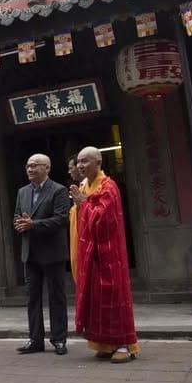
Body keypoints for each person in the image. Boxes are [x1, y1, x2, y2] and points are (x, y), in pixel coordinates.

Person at [69, 147, 138, 364]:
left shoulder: (108, 187)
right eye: (79, 162)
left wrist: (83, 204)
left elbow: (105, 222)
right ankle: (105, 344)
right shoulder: (84, 186)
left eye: (85, 161)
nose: (80, 166)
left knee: (113, 298)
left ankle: (123, 345)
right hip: (90, 252)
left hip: (109, 253)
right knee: (96, 300)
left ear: (98, 162)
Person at [13, 154, 70, 355]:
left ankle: (59, 339)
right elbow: (17, 216)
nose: (30, 169)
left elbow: (61, 219)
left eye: (35, 165)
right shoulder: (22, 192)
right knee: (32, 298)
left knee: (57, 297)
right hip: (30, 253)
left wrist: (33, 225)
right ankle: (35, 339)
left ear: (47, 168)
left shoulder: (59, 190)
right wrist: (19, 224)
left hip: (52, 253)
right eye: (28, 166)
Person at [67, 154, 84, 283]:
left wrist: (82, 204)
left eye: (70, 168)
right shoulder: (81, 187)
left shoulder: (102, 185)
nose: (69, 171)